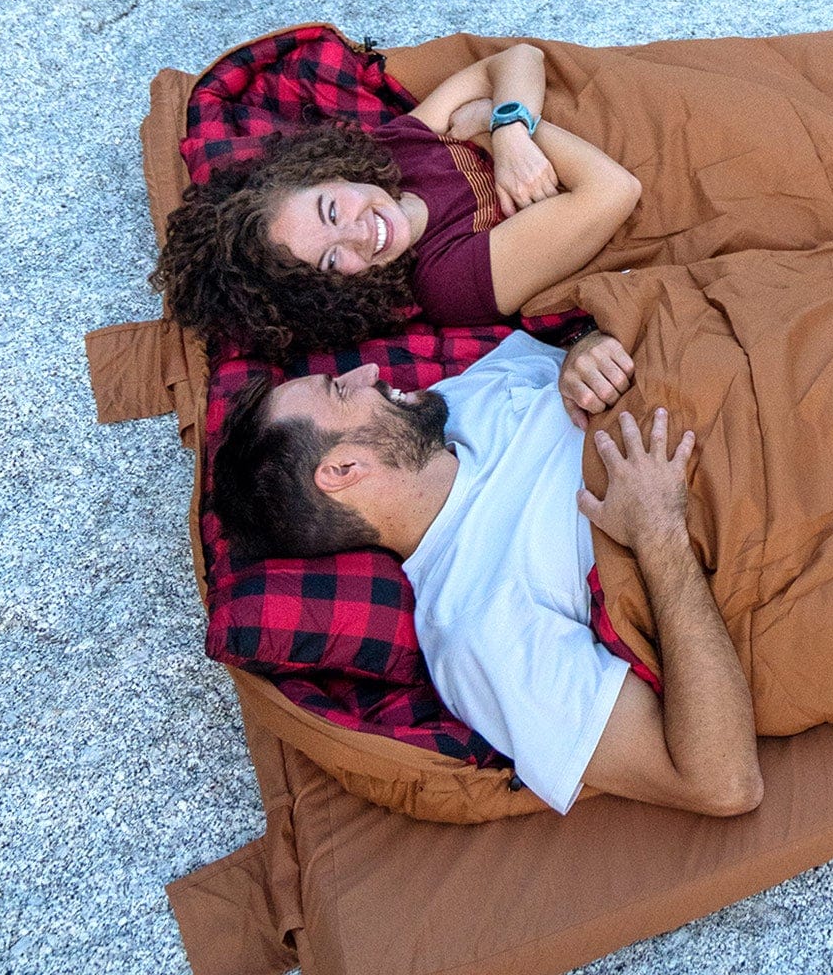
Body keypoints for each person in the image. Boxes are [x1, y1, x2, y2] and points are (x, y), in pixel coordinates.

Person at [211, 331, 764, 819]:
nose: (370, 372)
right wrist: (660, 533)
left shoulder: (458, 399)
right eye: (340, 389)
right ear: (341, 471)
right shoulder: (476, 627)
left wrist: (587, 351)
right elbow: (719, 782)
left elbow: (606, 335)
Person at [152, 43, 644, 389]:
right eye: (330, 260)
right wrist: (482, 128)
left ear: (328, 174)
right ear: (330, 294)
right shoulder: (448, 281)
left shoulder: (394, 150)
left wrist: (509, 128)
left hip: (621, 104)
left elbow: (519, 58)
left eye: (330, 210)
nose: (358, 233)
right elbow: (613, 191)